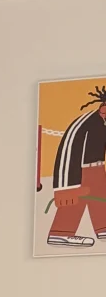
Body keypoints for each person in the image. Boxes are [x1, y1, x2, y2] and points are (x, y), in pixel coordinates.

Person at [49, 85, 106, 247]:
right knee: (74, 198)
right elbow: (68, 150)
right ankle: (61, 233)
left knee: (101, 197)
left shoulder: (103, 123)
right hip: (80, 170)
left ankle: (103, 229)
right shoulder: (84, 122)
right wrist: (65, 186)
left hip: (98, 169)